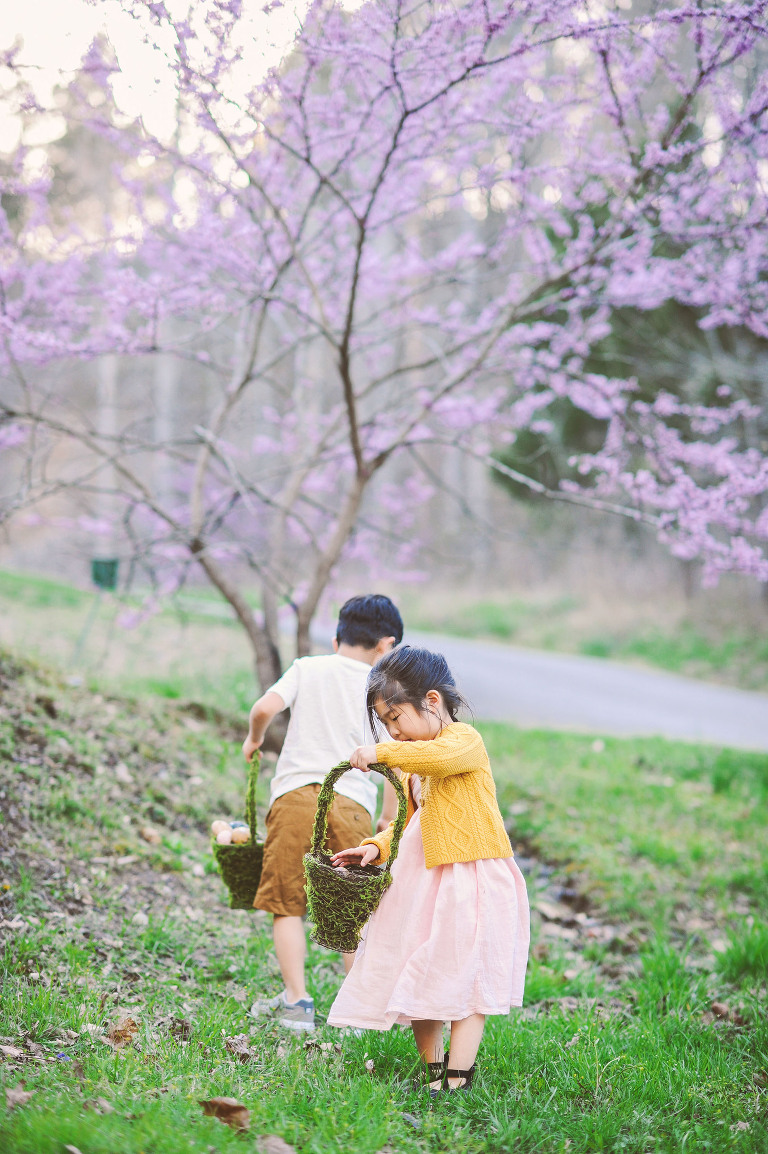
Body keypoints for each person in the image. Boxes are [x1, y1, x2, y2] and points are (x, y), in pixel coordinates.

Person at [327, 645, 529, 1094]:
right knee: (417, 966)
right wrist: (374, 849)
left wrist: (381, 751)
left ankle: (459, 1076)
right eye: (385, 724)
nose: (393, 732)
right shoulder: (409, 764)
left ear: (432, 702)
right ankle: (433, 1070)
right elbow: (407, 823)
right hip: (421, 882)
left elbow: (438, 759)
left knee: (466, 973)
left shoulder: (463, 743)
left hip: (469, 877)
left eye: (396, 718)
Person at [242, 594, 404, 1032]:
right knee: (350, 907)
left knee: (287, 905)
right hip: (351, 803)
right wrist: (389, 819)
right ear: (387, 646)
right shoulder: (384, 690)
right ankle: (358, 1013)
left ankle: (297, 1002)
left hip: (294, 797)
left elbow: (263, 709)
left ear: (337, 638)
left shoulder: (307, 667)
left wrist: (254, 739)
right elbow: (395, 758)